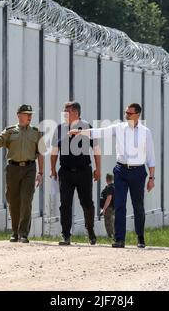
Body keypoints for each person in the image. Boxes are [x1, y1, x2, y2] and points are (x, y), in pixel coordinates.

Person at [69, 103, 155, 249]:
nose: (126, 115)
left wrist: (152, 178)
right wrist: (80, 132)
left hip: (138, 171)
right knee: (119, 204)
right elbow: (99, 132)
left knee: (138, 205)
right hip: (121, 170)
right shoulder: (119, 128)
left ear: (138, 115)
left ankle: (140, 237)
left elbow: (151, 156)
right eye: (125, 112)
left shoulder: (146, 132)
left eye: (129, 113)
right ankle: (119, 239)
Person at [0, 104, 45, 243]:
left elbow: (41, 153)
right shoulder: (10, 131)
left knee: (26, 200)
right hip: (13, 169)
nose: (30, 117)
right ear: (19, 115)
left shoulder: (37, 132)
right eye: (27, 114)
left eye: (31, 114)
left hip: (29, 169)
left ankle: (23, 233)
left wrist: (41, 172)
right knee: (13, 201)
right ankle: (14, 231)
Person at [50, 101, 101, 246]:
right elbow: (54, 151)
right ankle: (66, 234)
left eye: (67, 111)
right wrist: (52, 168)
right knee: (64, 204)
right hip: (65, 172)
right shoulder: (60, 129)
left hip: (84, 171)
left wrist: (98, 168)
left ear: (76, 113)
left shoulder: (87, 127)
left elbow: (96, 149)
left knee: (87, 203)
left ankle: (90, 231)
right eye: (64, 111)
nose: (64, 114)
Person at [100, 173, 115, 240]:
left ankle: (111, 237)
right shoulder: (114, 186)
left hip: (109, 208)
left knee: (108, 223)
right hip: (113, 208)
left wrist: (104, 209)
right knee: (112, 222)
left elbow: (109, 198)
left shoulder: (109, 187)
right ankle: (113, 236)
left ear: (106, 179)